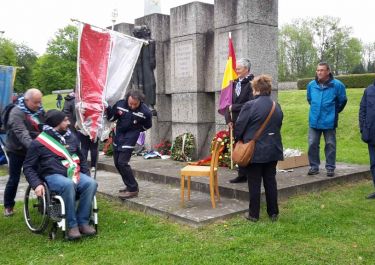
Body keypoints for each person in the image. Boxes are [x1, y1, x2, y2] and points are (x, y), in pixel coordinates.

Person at [23, 110, 97, 240]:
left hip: (74, 173)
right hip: (52, 175)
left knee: (91, 184)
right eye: (65, 120)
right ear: (56, 123)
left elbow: (82, 159)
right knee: (67, 184)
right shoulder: (39, 142)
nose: (68, 122)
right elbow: (28, 167)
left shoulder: (72, 137)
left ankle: (83, 222)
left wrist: (86, 174)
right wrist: (36, 184)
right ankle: (71, 226)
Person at [235, 75, 283, 222]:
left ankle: (254, 214)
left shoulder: (249, 105)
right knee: (270, 181)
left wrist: (240, 140)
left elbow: (239, 128)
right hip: (273, 148)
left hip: (254, 150)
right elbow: (278, 125)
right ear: (268, 89)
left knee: (254, 182)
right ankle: (273, 213)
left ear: (255, 89)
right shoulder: (276, 105)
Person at [3, 88, 45, 217]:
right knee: (14, 178)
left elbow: (47, 125)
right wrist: (36, 148)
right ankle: (8, 206)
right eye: (35, 102)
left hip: (34, 148)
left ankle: (42, 203)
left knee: (40, 174)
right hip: (16, 150)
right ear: (27, 100)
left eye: (40, 102)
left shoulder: (40, 110)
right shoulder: (16, 112)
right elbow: (22, 134)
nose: (39, 105)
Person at [106, 89, 152, 199]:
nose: (132, 106)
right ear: (128, 99)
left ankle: (133, 189)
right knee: (117, 163)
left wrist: (136, 130)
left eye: (135, 104)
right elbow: (112, 118)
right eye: (130, 103)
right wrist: (107, 108)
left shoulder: (145, 112)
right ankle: (128, 185)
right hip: (119, 135)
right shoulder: (121, 104)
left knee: (122, 162)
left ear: (140, 101)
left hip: (130, 137)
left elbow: (147, 125)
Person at [307, 62, 347, 177]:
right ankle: (314, 167)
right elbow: (309, 99)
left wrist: (334, 112)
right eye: (318, 70)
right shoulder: (311, 85)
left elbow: (342, 101)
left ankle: (330, 167)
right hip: (314, 120)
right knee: (312, 144)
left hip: (329, 121)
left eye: (322, 70)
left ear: (328, 71)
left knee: (330, 144)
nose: (319, 72)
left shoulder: (338, 85)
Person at [224, 58, 254, 183]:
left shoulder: (252, 83)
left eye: (239, 69)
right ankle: (242, 174)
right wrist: (228, 119)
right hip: (235, 121)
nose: (236, 71)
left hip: (247, 121)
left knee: (247, 147)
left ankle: (252, 174)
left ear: (246, 69)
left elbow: (251, 103)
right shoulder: (234, 83)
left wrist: (234, 107)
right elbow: (226, 102)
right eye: (236, 68)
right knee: (238, 146)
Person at [359, 80, 375, 199]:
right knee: (374, 164)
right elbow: (362, 111)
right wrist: (363, 128)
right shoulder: (369, 90)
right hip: (371, 133)